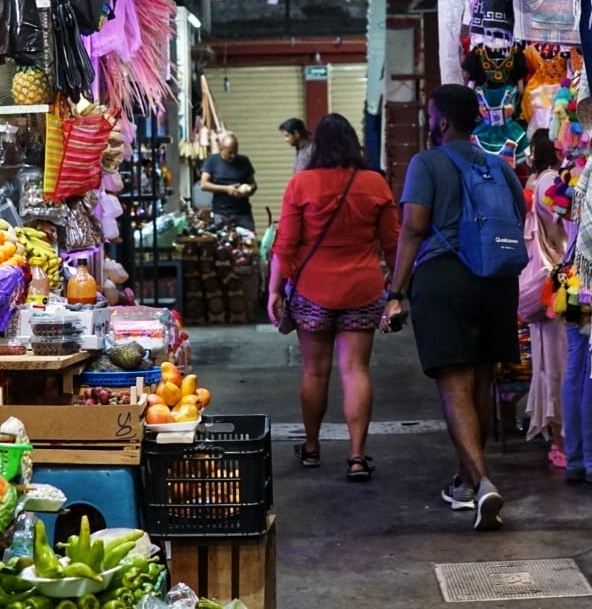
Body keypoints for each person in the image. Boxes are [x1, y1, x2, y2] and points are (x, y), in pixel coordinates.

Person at [384, 84, 524, 532]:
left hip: (444, 279)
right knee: (481, 382)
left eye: (430, 114)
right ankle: (467, 483)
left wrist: (395, 291)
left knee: (454, 386)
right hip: (496, 281)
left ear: (442, 120)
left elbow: (412, 228)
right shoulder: (500, 167)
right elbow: (517, 218)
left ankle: (482, 482)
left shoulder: (427, 164)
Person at [267, 114, 400, 481]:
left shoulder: (301, 184)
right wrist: (398, 292)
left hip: (312, 289)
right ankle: (357, 456)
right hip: (363, 288)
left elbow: (285, 244)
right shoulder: (375, 183)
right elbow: (393, 243)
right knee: (356, 370)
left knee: (315, 370)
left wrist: (274, 290)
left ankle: (311, 447)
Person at [522, 130, 569, 468]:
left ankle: (558, 438)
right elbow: (559, 233)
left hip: (540, 284)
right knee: (560, 363)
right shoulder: (551, 181)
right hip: (556, 284)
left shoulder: (535, 180)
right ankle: (564, 440)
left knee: (547, 363)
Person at [199, 133, 256, 229]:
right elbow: (204, 184)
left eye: (235, 152)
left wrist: (248, 189)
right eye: (230, 153)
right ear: (221, 149)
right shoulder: (212, 161)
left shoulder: (244, 161)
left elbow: (253, 184)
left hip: (243, 213)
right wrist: (226, 189)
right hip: (221, 213)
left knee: (248, 241)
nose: (233, 156)